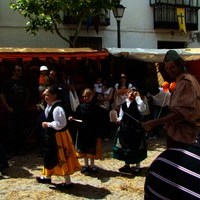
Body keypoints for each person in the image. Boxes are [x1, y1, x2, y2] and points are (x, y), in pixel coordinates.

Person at [142, 50, 200, 148]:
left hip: (183, 136)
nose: (169, 71)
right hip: (184, 134)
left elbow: (180, 113)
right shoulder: (188, 79)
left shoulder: (185, 82)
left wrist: (153, 123)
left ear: (180, 65)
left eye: (172, 67)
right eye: (167, 68)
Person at [36, 85, 81, 189]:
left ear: (54, 96)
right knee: (48, 155)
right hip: (52, 136)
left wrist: (48, 124)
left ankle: (68, 182)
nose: (45, 96)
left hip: (58, 137)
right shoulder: (51, 106)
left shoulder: (58, 108)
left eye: (47, 94)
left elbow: (61, 124)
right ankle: (46, 176)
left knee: (61, 157)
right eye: (45, 94)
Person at [68, 88, 103, 174]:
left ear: (92, 96)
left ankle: (92, 165)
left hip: (92, 131)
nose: (86, 98)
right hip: (83, 131)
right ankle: (86, 165)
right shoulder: (81, 106)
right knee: (84, 149)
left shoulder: (96, 107)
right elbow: (76, 115)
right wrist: (72, 118)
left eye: (88, 96)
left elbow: (99, 119)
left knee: (91, 149)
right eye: (84, 96)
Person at [113, 88, 147, 174]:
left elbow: (143, 109)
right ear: (127, 94)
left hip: (136, 130)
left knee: (136, 147)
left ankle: (137, 166)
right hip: (125, 129)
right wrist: (118, 119)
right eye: (131, 94)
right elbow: (121, 116)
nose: (132, 96)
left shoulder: (138, 104)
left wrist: (138, 97)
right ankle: (127, 165)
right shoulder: (123, 105)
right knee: (126, 147)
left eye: (134, 94)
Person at [0, 63, 28, 155]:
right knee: (12, 130)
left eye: (21, 70)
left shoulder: (23, 81)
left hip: (22, 109)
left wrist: (26, 102)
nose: (20, 72)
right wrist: (8, 107)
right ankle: (12, 150)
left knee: (22, 129)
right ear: (13, 72)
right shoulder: (8, 82)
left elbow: (27, 92)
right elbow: (2, 95)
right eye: (18, 70)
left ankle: (21, 149)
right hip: (12, 110)